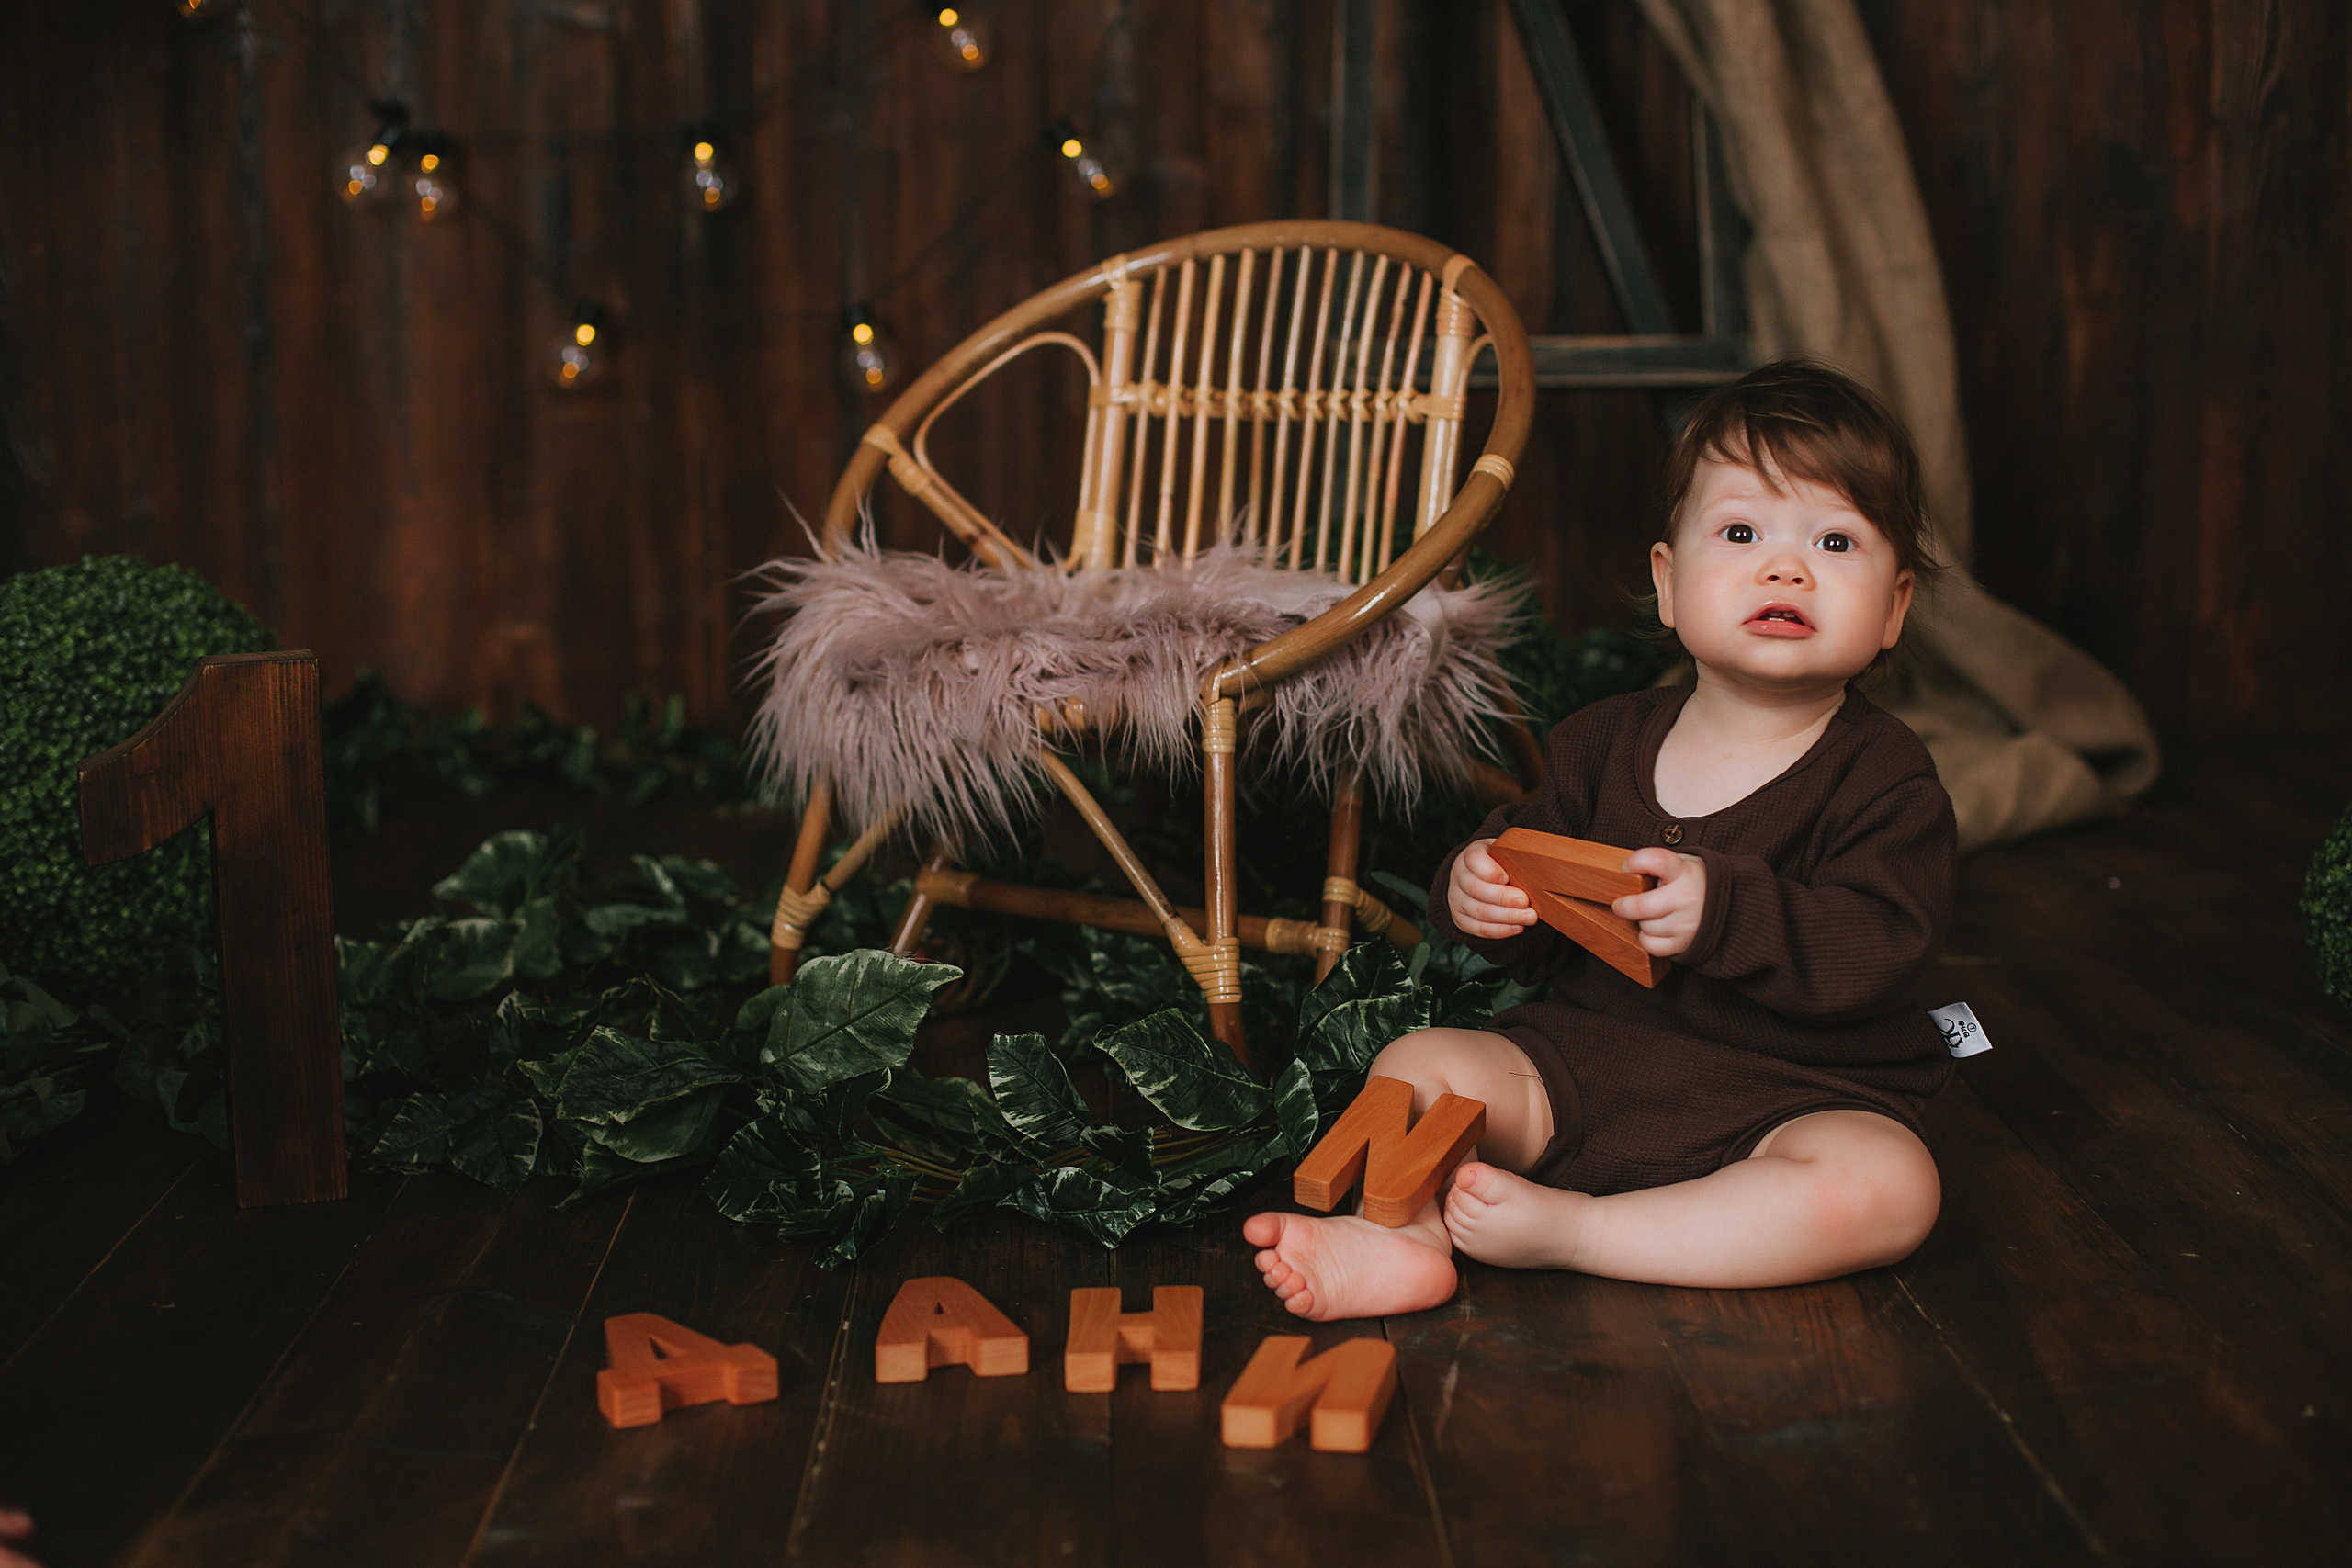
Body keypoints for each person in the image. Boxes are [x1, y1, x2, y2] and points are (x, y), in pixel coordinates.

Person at [1247, 357, 1958, 1319]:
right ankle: (1402, 1240)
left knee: (1889, 1186)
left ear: (1894, 610)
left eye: (1835, 541)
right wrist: (1482, 896)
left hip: (1792, 1093)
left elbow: (1881, 950)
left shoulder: (1885, 778)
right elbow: (1539, 921)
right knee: (1420, 1068)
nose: (1785, 567)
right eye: (1741, 532)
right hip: (1578, 1066)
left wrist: (1728, 911)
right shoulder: (1599, 743)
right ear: (1668, 584)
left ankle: (1582, 1234)